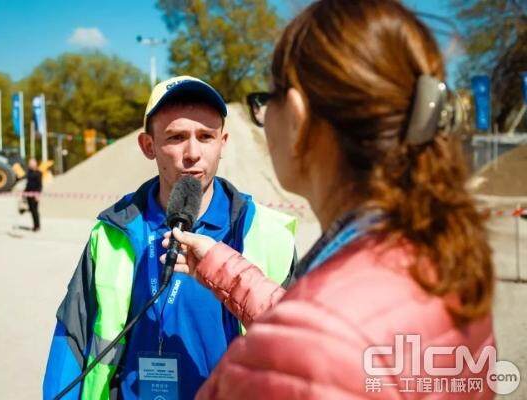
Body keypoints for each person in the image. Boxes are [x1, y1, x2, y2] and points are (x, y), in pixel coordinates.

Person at [160, 1, 496, 399]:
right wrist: (221, 266)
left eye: (268, 99)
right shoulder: (440, 255)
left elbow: (315, 341)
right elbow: (327, 323)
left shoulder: (312, 344)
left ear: (299, 118)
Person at [42, 76, 298, 399]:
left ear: (223, 143)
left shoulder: (266, 234)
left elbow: (302, 353)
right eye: (176, 137)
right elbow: (72, 343)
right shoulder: (111, 234)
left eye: (206, 136)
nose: (192, 153)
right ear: (149, 146)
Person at [25, 158, 42, 232]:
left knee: (35, 211)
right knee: (31, 210)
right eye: (29, 163)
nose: (30, 164)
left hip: (35, 194)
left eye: (31, 163)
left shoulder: (38, 173)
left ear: (35, 164)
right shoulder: (29, 172)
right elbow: (28, 184)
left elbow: (40, 185)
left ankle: (37, 226)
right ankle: (35, 225)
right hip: (28, 194)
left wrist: (37, 194)